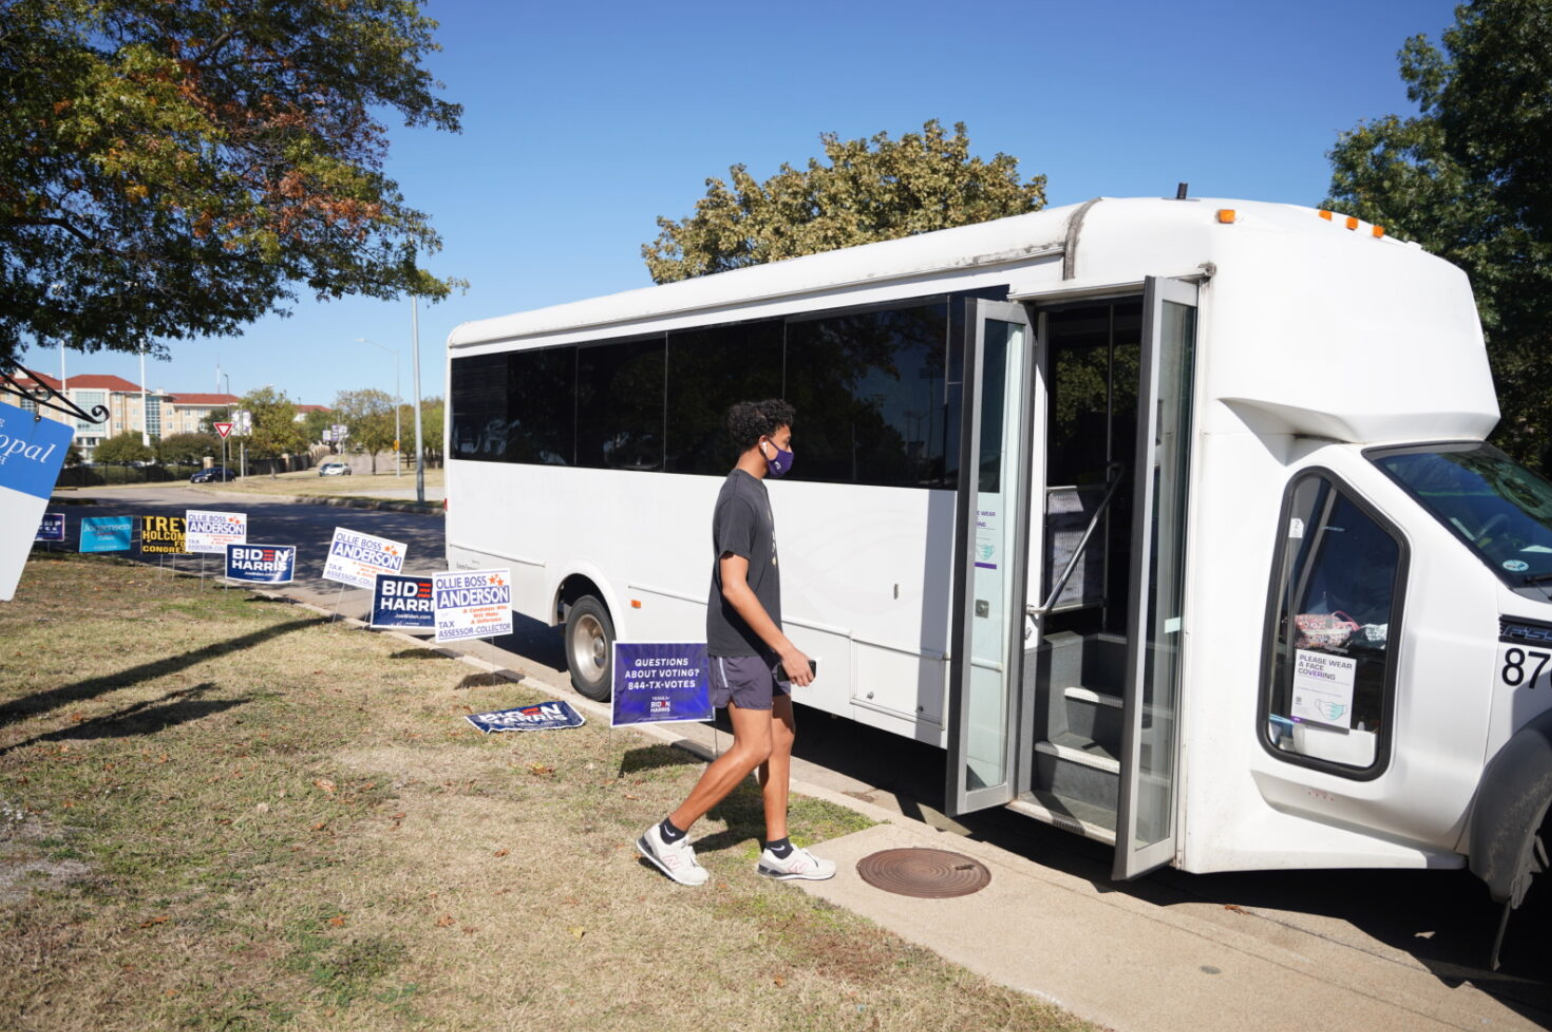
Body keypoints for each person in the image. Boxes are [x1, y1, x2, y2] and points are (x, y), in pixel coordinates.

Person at [637, 399, 836, 886]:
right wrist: (786, 648)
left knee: (782, 736)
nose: (789, 450)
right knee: (753, 746)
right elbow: (733, 586)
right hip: (740, 645)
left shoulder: (757, 490)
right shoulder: (737, 497)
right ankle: (667, 835)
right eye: (785, 442)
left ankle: (778, 850)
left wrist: (778, 645)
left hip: (761, 643)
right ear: (763, 442)